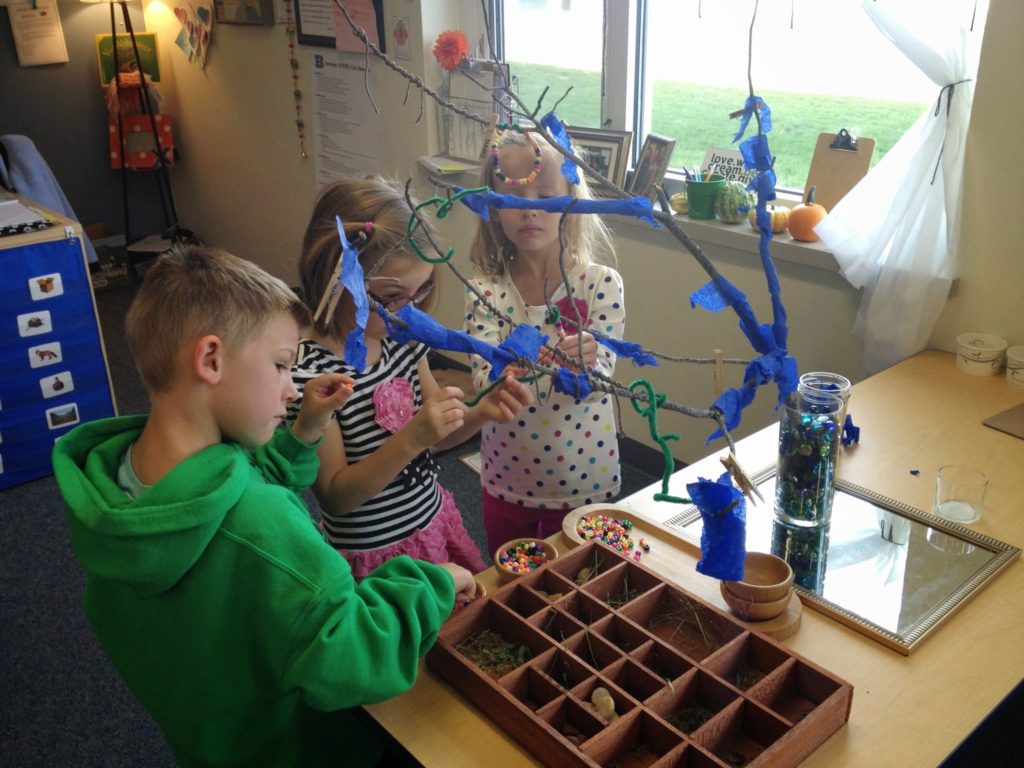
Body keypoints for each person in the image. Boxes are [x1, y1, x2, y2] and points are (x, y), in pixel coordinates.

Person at [52, 245, 475, 768]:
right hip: (301, 748)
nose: (290, 388)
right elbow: (354, 657)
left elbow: (238, 478)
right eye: (279, 366)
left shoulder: (118, 482)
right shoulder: (261, 529)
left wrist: (305, 430)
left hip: (213, 735)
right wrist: (433, 584)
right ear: (210, 359)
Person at [291, 178, 534, 579]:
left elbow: (434, 437)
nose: (406, 312)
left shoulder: (402, 341)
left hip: (432, 527)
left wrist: (477, 413)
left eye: (420, 292)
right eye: (389, 298)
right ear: (337, 281)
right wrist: (413, 438)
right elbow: (335, 496)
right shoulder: (312, 376)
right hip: (376, 563)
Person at [466, 129, 626, 553]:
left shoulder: (601, 284)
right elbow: (484, 385)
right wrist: (504, 376)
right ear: (493, 206)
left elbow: (603, 381)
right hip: (508, 481)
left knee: (590, 587)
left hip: (586, 482)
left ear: (570, 201)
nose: (529, 211)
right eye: (514, 198)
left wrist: (590, 363)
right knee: (515, 590)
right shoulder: (485, 290)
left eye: (544, 196)